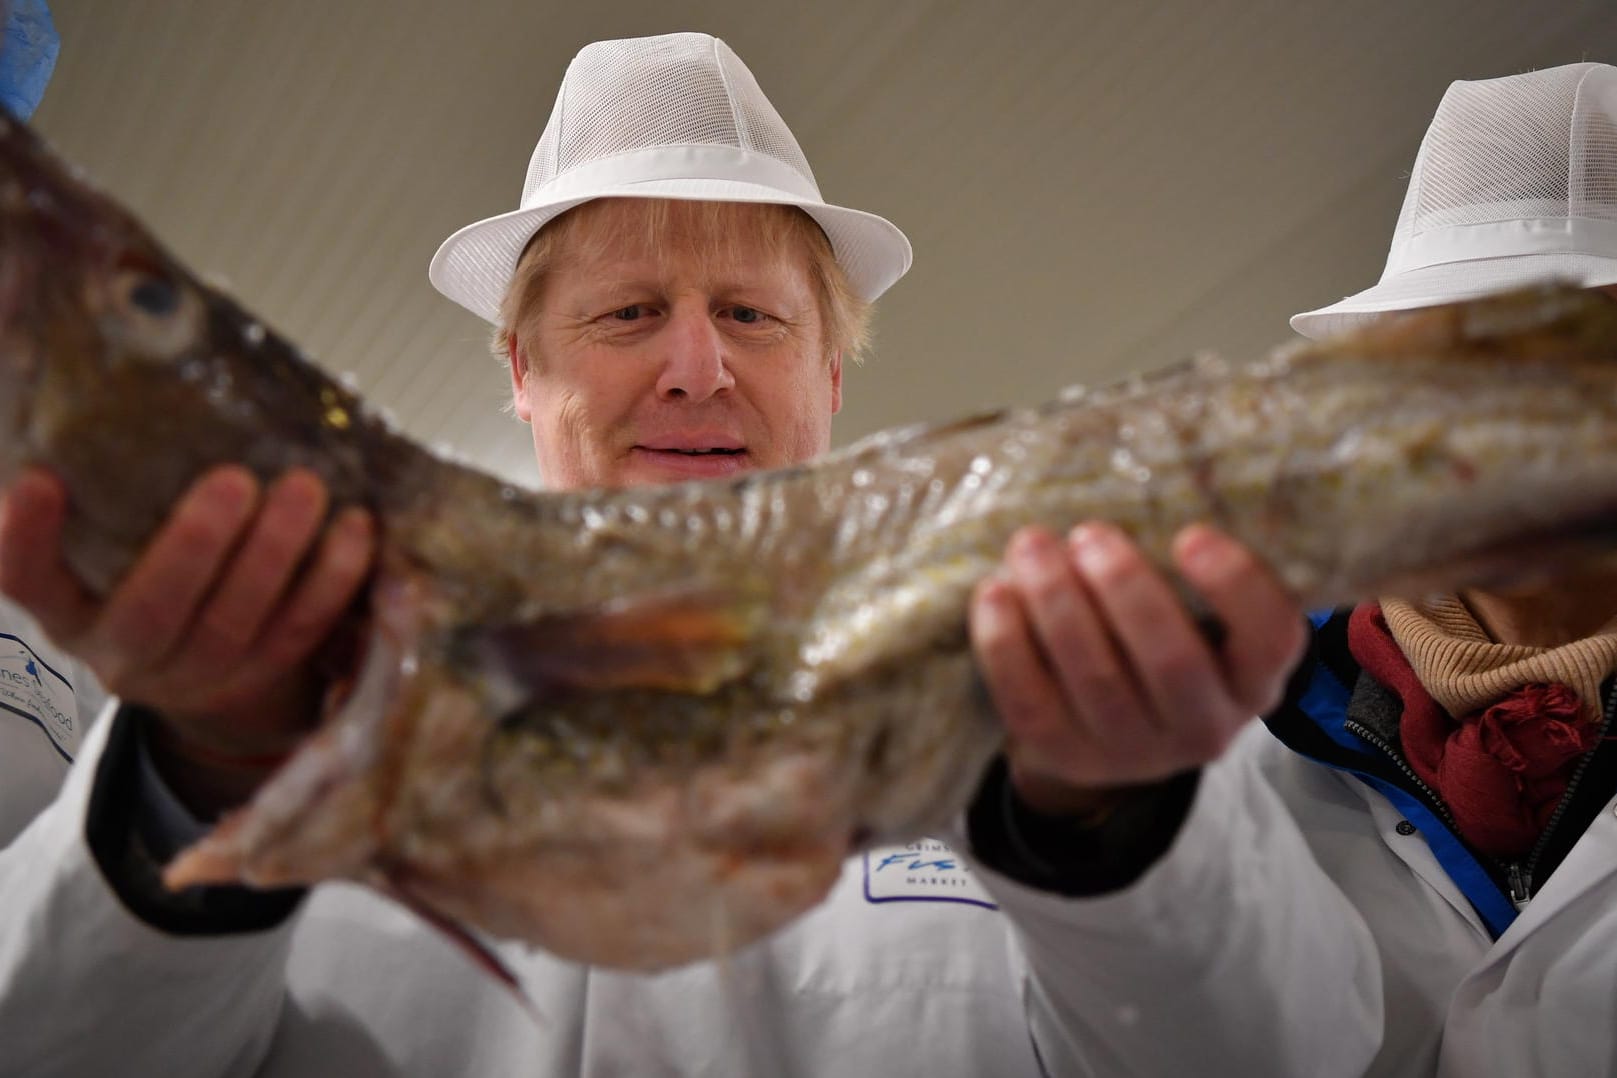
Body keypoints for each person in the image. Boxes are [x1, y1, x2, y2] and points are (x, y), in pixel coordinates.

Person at [0, 32, 1363, 1077]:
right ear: (523, 369)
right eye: (630, 310)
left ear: (831, 368)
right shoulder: (257, 660)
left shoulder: (1066, 656)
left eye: (753, 316)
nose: (696, 368)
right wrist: (204, 784)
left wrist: (1103, 824)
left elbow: (1291, 1048)